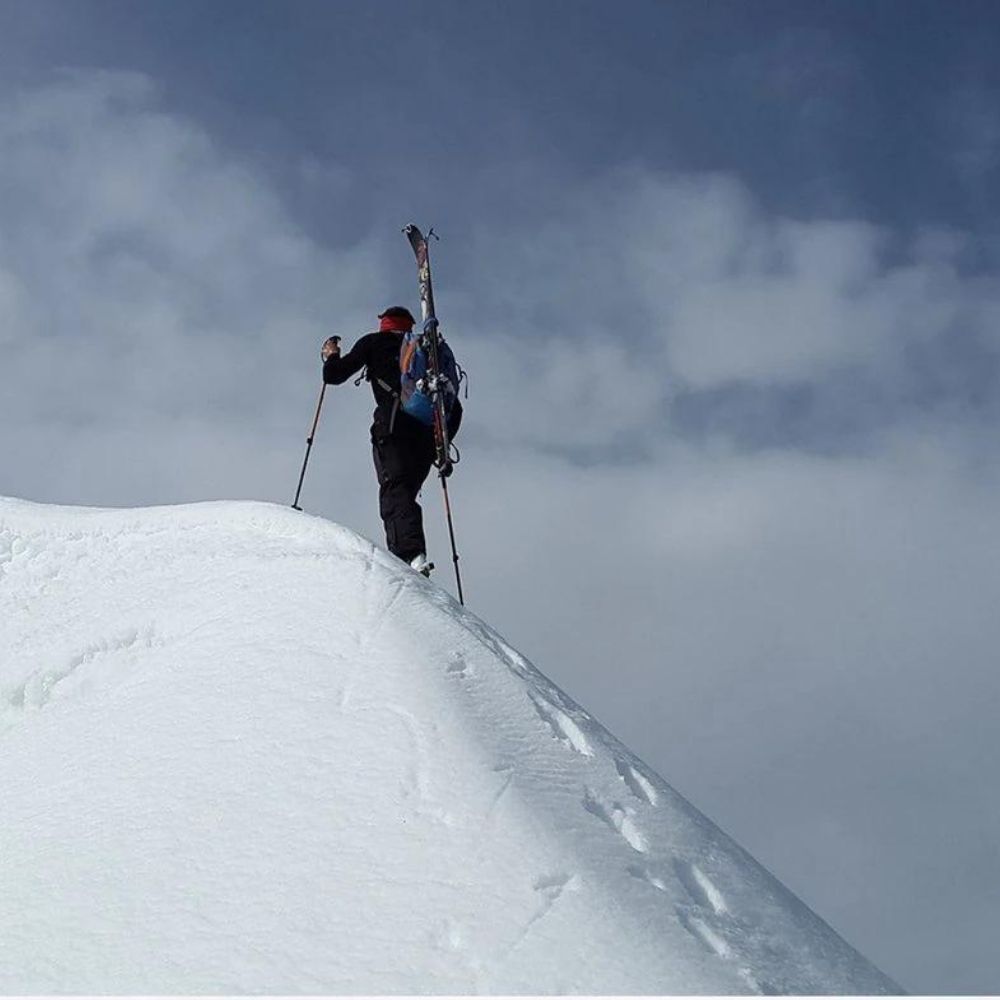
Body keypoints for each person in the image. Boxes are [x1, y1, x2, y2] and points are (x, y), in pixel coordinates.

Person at [321, 306, 461, 576]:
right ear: (408, 326)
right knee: (405, 492)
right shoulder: (424, 351)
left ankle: (409, 557)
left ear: (383, 324)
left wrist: (330, 356)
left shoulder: (374, 342)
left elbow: (334, 376)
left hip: (393, 425)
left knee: (395, 489)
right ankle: (412, 552)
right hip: (426, 434)